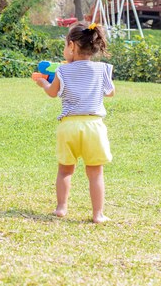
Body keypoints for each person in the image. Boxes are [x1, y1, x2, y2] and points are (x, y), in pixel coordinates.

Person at [34, 22, 115, 223]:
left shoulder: (62, 71)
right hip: (94, 126)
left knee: (65, 169)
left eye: (64, 46)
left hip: (68, 126)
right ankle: (98, 214)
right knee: (95, 173)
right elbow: (111, 92)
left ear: (71, 46)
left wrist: (44, 83)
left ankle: (61, 208)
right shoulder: (102, 68)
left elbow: (53, 93)